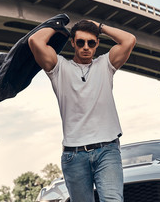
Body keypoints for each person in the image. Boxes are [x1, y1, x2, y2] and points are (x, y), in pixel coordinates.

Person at [28, 19, 136, 202]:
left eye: (91, 43)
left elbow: (129, 40)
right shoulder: (58, 68)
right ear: (72, 43)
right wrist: (56, 25)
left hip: (107, 150)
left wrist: (100, 27)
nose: (86, 47)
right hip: (74, 155)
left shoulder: (106, 65)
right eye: (80, 42)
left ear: (97, 44)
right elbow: (35, 41)